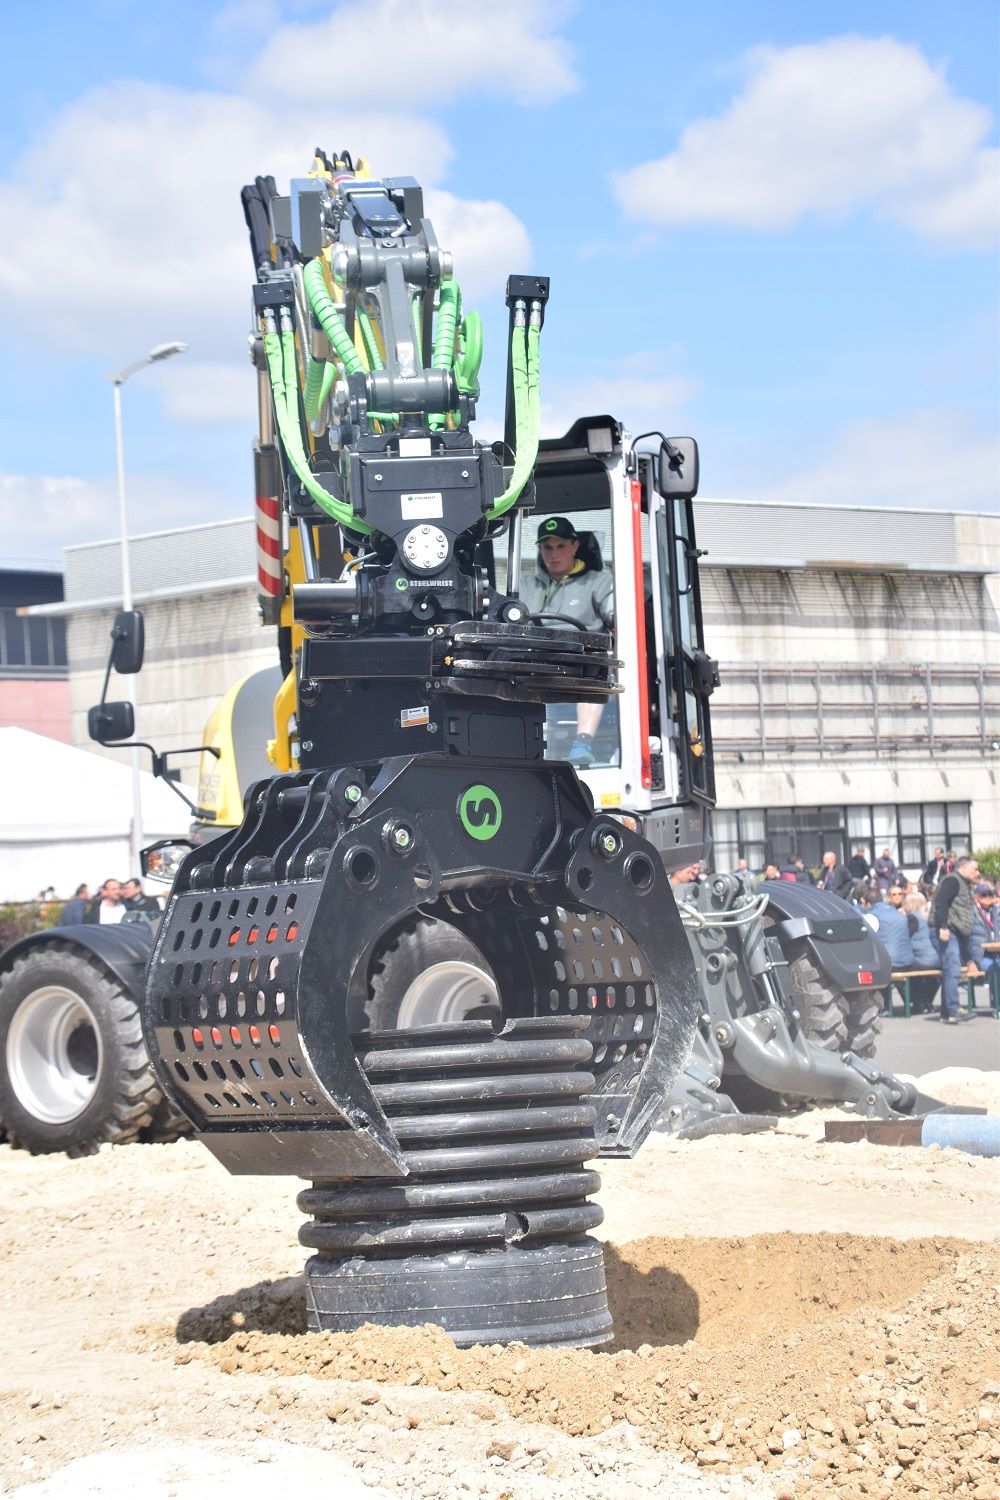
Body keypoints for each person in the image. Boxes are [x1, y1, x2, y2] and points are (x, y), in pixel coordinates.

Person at [520, 517, 614, 768]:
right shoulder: (524, 585)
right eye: (547, 547)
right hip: (535, 661)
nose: (553, 554)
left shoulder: (600, 582)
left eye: (560, 546)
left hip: (582, 662)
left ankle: (582, 743)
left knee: (594, 669)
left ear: (575, 545)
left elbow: (619, 620)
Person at [930, 855, 984, 1023]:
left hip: (955, 932)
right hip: (947, 930)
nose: (978, 872)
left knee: (950, 970)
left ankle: (947, 1013)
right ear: (964, 868)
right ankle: (953, 1010)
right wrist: (943, 927)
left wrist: (968, 958)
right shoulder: (952, 881)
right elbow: (941, 903)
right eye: (975, 869)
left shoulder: (964, 884)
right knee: (952, 969)